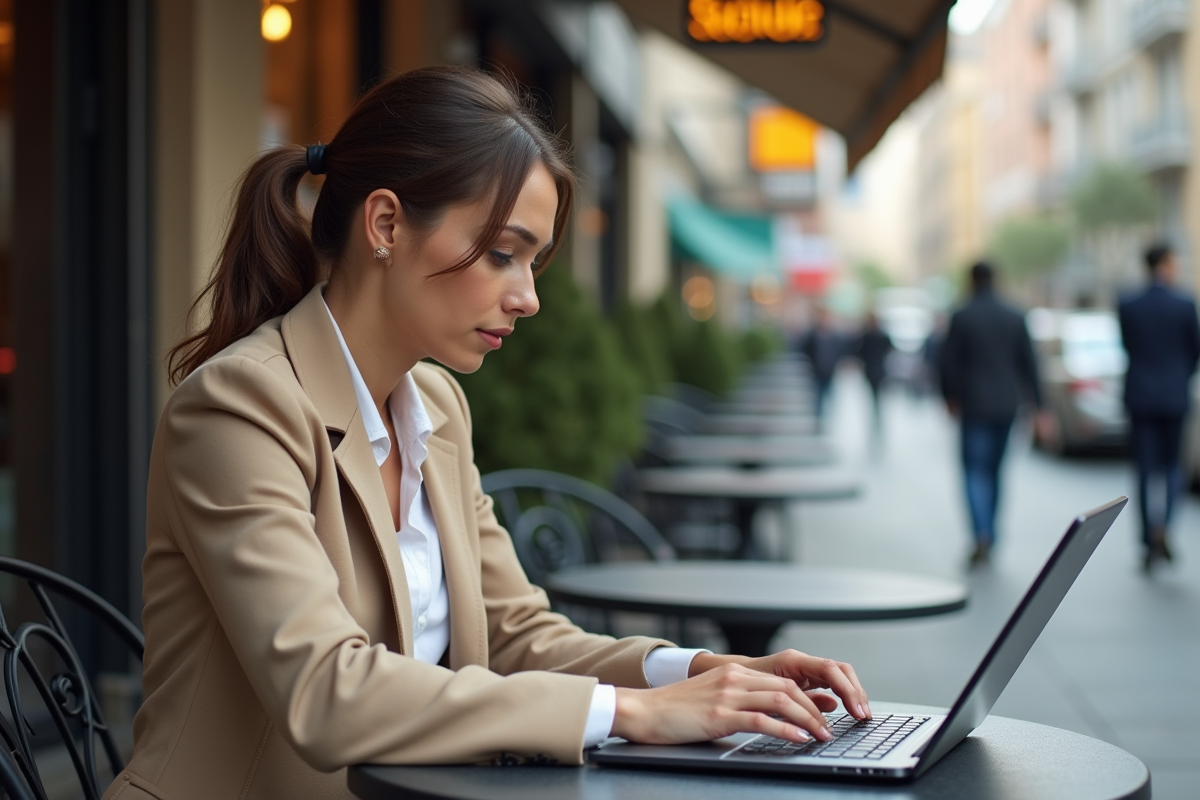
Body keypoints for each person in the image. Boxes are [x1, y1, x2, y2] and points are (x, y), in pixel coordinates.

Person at [103, 68, 869, 800]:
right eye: (504, 254)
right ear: (385, 224)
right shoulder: (241, 405)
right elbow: (324, 691)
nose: (529, 297)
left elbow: (516, 634)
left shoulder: (435, 405)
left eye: (532, 262)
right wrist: (627, 714)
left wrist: (701, 672)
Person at [939, 262, 1045, 567]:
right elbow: (1029, 363)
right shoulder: (1014, 315)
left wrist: (948, 397)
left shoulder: (962, 316)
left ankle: (981, 533)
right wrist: (1038, 406)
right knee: (996, 472)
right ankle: (991, 532)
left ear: (970, 281)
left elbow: (947, 362)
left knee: (974, 471)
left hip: (973, 405)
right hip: (1006, 405)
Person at [1117, 242, 1200, 572]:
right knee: (1171, 468)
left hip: (1139, 395)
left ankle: (1146, 537)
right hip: (1174, 396)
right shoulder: (1184, 303)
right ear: (1165, 264)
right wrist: (1179, 377)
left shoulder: (1128, 303)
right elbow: (1195, 350)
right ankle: (1163, 526)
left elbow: (1127, 345)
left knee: (1143, 470)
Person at [799, 306, 844, 426]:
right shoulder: (812, 335)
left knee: (830, 395)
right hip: (817, 370)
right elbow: (805, 350)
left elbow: (840, 351)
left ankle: (829, 419)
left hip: (830, 370)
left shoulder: (835, 335)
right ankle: (818, 419)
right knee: (818, 395)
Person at [853, 312, 893, 439]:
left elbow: (858, 352)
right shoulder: (880, 335)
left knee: (874, 396)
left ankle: (876, 419)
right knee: (877, 397)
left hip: (871, 370)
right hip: (878, 370)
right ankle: (877, 419)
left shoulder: (867, 336)